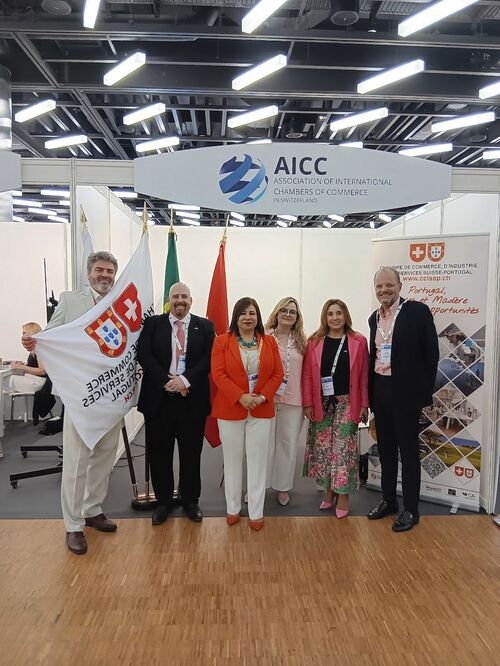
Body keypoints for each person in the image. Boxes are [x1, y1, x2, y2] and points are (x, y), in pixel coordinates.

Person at [22, 252, 122, 555]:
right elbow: (48, 337)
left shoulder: (119, 301)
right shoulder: (69, 300)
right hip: (80, 396)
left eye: (109, 271)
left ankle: (93, 510)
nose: (104, 275)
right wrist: (32, 343)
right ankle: (73, 525)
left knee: (104, 457)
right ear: (89, 272)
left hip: (111, 393)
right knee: (77, 462)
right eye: (99, 270)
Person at [137, 282, 215, 526]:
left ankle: (191, 500)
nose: (180, 300)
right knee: (159, 454)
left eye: (184, 296)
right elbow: (144, 355)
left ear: (191, 300)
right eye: (175, 297)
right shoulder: (153, 324)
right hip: (159, 399)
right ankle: (163, 502)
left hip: (192, 399)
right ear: (168, 301)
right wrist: (168, 381)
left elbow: (209, 359)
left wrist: (184, 380)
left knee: (191, 453)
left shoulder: (205, 326)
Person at [367, 267, 438, 532]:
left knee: (408, 453)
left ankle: (411, 509)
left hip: (406, 394)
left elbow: (431, 355)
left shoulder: (417, 311)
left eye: (389, 285)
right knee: (385, 450)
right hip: (381, 390)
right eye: (379, 286)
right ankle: (389, 500)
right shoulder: (374, 318)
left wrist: (421, 393)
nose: (384, 290)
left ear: (399, 285)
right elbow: (375, 355)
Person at [211, 297, 283, 531]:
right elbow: (218, 374)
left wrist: (261, 397)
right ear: (236, 316)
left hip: (261, 409)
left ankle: (256, 512)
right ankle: (232, 509)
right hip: (230, 409)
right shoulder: (222, 341)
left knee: (257, 462)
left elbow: (278, 374)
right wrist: (241, 397)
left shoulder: (269, 342)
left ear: (258, 317)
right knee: (232, 461)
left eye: (252, 313)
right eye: (243, 313)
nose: (248, 317)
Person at [303, 299, 369, 518]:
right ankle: (329, 491)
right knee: (324, 450)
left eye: (339, 313)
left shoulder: (358, 341)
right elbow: (307, 374)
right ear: (325, 317)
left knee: (343, 450)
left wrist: (364, 404)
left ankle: (343, 495)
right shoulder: (314, 341)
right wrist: (307, 403)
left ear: (345, 315)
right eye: (330, 313)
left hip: (348, 402)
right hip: (321, 403)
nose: (334, 318)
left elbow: (364, 375)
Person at [264, 297, 307, 506]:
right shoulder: (264, 337)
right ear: (277, 312)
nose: (288, 314)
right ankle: (259, 487)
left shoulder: (302, 341)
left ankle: (283, 488)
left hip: (293, 400)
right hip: (266, 399)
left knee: (287, 446)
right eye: (284, 310)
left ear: (297, 317)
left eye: (293, 312)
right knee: (263, 446)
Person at [9, 322, 47, 393]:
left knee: (8, 379)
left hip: (37, 381)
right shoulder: (36, 347)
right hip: (34, 379)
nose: (23, 336)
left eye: (25, 333)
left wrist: (22, 367)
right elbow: (35, 365)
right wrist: (23, 365)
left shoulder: (39, 348)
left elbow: (42, 371)